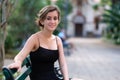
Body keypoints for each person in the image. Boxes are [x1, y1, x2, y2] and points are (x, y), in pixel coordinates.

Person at [8, 5, 69, 80]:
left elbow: (62, 64)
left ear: (58, 21)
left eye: (55, 18)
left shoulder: (57, 40)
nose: (52, 21)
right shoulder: (35, 38)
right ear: (42, 21)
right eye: (48, 18)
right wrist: (18, 62)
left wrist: (66, 79)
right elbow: (20, 56)